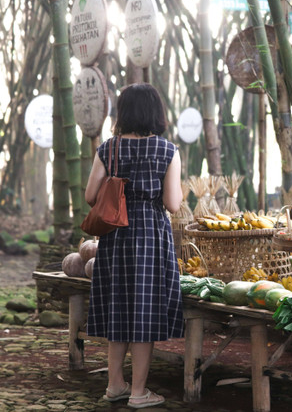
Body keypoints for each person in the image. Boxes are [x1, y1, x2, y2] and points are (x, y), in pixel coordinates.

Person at [84, 83, 184, 409]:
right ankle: (139, 392)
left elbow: (89, 197)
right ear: (156, 112)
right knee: (146, 311)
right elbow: (172, 203)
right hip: (152, 236)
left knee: (119, 308)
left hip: (115, 235)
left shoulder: (108, 149)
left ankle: (115, 385)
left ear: (123, 112)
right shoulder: (167, 150)